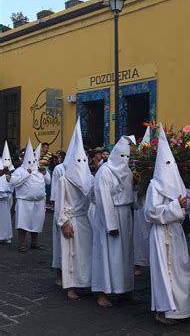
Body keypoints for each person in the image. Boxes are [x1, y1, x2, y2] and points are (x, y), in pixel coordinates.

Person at [144, 125, 190, 324]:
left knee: (181, 270)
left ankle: (180, 309)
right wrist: (176, 205)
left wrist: (188, 202)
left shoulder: (178, 183)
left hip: (175, 232)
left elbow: (188, 206)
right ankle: (163, 311)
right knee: (163, 273)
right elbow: (151, 212)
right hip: (161, 233)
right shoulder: (154, 186)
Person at [91, 135, 137, 307]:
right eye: (122, 156)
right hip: (108, 216)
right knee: (106, 254)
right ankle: (102, 292)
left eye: (127, 156)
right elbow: (103, 199)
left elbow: (131, 195)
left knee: (125, 254)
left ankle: (125, 290)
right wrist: (111, 225)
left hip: (125, 215)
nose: (125, 160)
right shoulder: (105, 171)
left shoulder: (129, 172)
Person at [55, 119, 94, 300]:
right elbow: (60, 204)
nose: (81, 163)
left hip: (84, 220)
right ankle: (70, 286)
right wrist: (64, 223)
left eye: (83, 160)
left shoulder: (88, 178)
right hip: (70, 220)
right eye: (78, 160)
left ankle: (84, 282)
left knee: (85, 253)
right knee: (70, 254)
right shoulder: (64, 180)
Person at [10, 140, 51, 252]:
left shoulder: (39, 171)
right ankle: (22, 244)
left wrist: (45, 173)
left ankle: (34, 243)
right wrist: (26, 173)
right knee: (23, 223)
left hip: (38, 201)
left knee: (36, 222)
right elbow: (13, 182)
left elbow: (48, 182)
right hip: (24, 201)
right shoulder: (20, 170)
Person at [133, 127, 152, 276]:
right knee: (139, 234)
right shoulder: (135, 171)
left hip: (152, 203)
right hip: (141, 204)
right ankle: (137, 263)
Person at [50, 151, 67, 287]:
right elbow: (56, 193)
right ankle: (58, 274)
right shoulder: (59, 170)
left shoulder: (85, 172)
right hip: (62, 211)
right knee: (59, 245)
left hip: (80, 217)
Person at [0, 141, 15, 244]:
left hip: (6, 195)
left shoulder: (10, 166)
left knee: (5, 215)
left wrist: (8, 177)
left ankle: (5, 235)